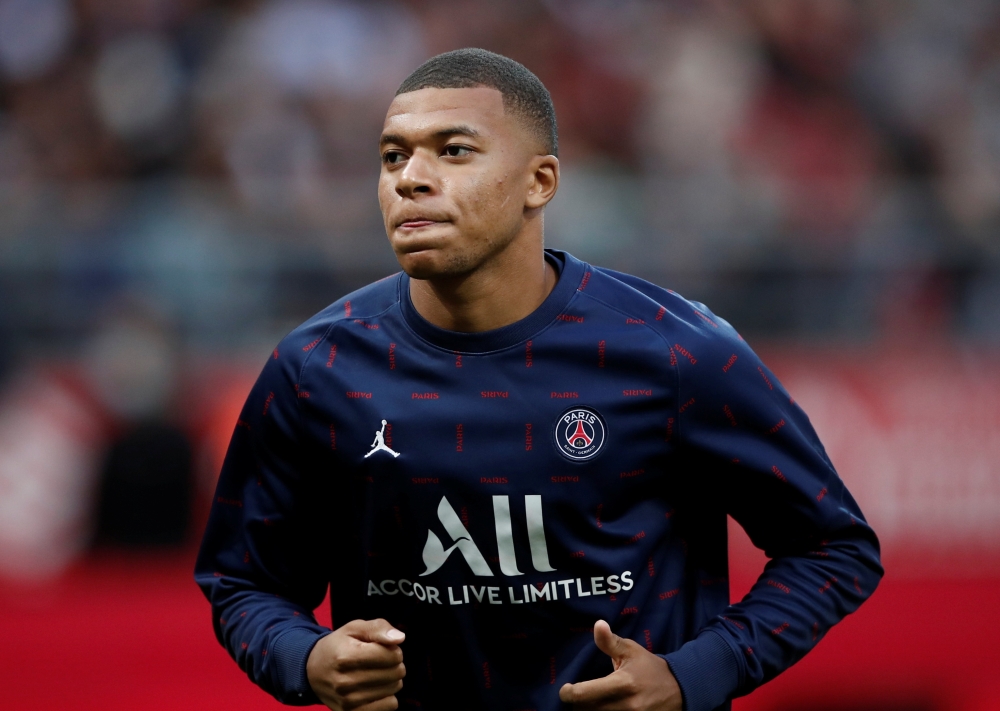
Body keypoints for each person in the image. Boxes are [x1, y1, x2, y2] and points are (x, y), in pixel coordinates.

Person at [195, 48, 882, 711]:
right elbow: (242, 580)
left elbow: (832, 545)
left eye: (453, 150)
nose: (410, 178)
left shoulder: (675, 351)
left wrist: (692, 675)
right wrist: (307, 658)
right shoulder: (316, 367)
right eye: (394, 156)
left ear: (540, 182)